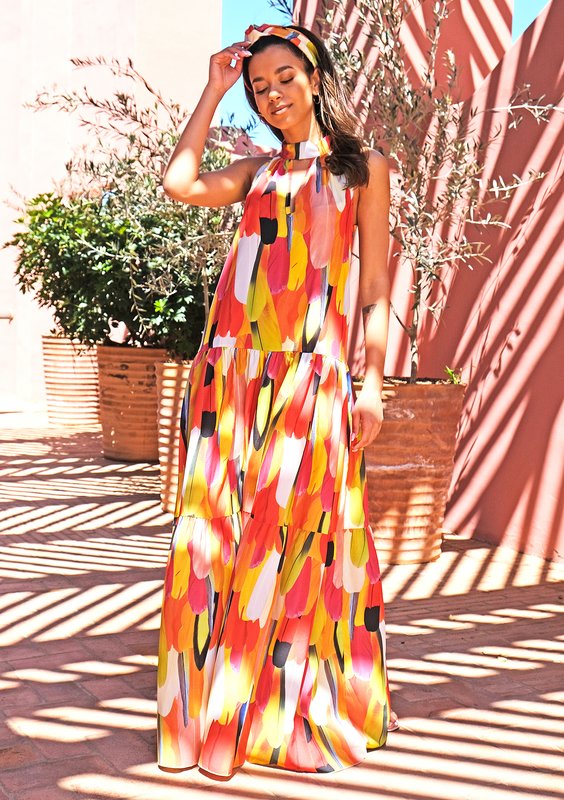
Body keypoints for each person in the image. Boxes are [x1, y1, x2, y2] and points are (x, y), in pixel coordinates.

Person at [156, 22, 397, 778]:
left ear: (315, 77)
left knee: (294, 542)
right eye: (260, 86)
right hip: (230, 379)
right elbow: (179, 183)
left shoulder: (362, 169)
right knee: (213, 539)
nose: (272, 94)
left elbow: (375, 287)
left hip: (310, 381)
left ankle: (269, 712)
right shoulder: (256, 171)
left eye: (285, 77)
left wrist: (373, 382)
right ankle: (207, 713)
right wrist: (213, 90)